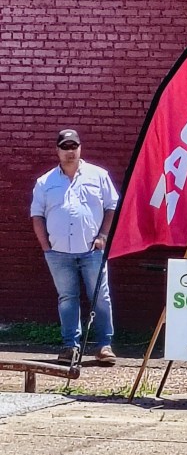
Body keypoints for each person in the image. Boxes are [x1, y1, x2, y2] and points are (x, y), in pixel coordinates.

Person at [31, 129, 119, 365]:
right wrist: (45, 245)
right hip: (58, 253)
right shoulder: (45, 182)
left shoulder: (99, 175)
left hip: (93, 251)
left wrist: (103, 235)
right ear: (57, 150)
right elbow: (37, 215)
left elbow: (112, 207)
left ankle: (104, 346)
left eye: (73, 146)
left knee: (100, 297)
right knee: (67, 298)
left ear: (80, 148)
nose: (70, 151)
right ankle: (71, 347)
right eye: (65, 147)